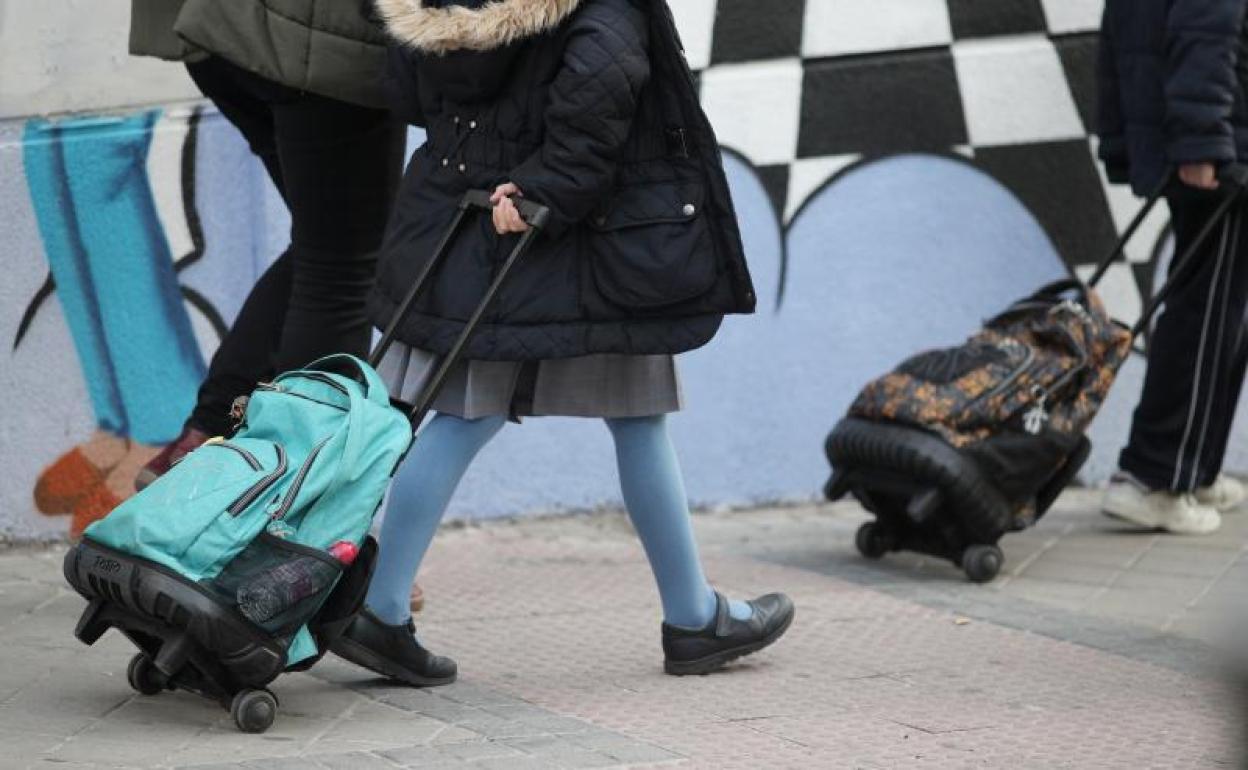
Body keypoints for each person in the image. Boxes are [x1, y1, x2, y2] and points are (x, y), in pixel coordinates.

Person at [329, 0, 794, 684]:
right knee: (636, 420)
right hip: (588, 240)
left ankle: (384, 604)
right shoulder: (601, 5)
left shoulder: (433, 6)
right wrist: (547, 186)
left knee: (463, 414)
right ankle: (693, 619)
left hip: (471, 224)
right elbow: (601, 94)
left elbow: (409, 93)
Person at [127, 0, 407, 487]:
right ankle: (277, 485)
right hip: (310, 38)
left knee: (333, 243)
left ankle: (205, 441)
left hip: (219, 29)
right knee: (341, 264)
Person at [1097, 0, 1248, 534]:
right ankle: (1153, 477)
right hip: (1221, 143)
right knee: (1205, 311)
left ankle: (1193, 468)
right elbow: (1204, 30)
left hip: (1209, 136)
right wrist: (1202, 139)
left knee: (1221, 309)